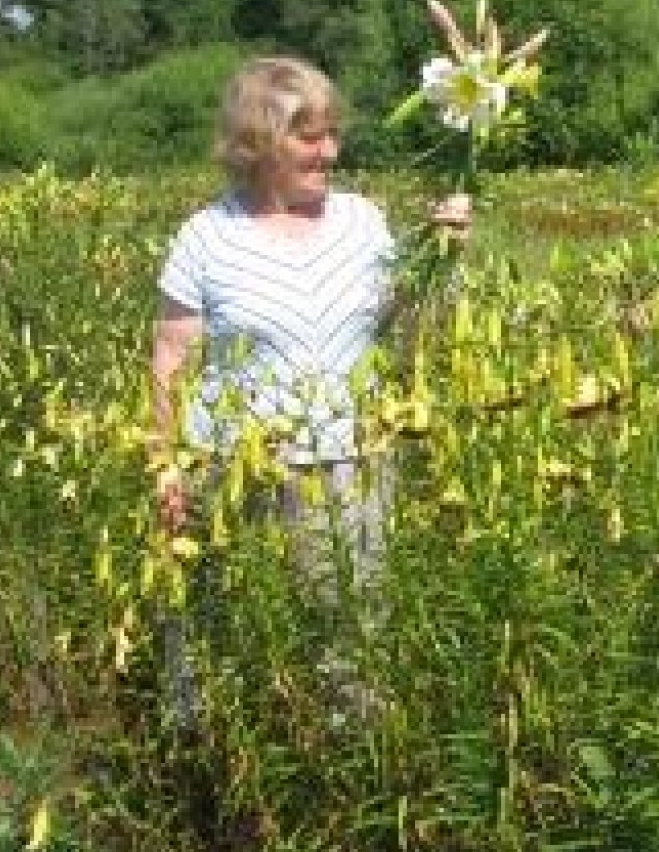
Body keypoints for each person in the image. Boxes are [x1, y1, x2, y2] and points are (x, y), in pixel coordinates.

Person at [151, 55, 469, 723]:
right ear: (258, 143)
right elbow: (172, 357)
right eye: (309, 136)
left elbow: (398, 323)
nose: (331, 150)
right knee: (219, 637)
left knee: (352, 640)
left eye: (332, 132)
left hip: (350, 463)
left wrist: (441, 257)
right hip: (232, 468)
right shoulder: (207, 236)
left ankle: (348, 779)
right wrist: (166, 468)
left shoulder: (362, 221)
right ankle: (213, 772)